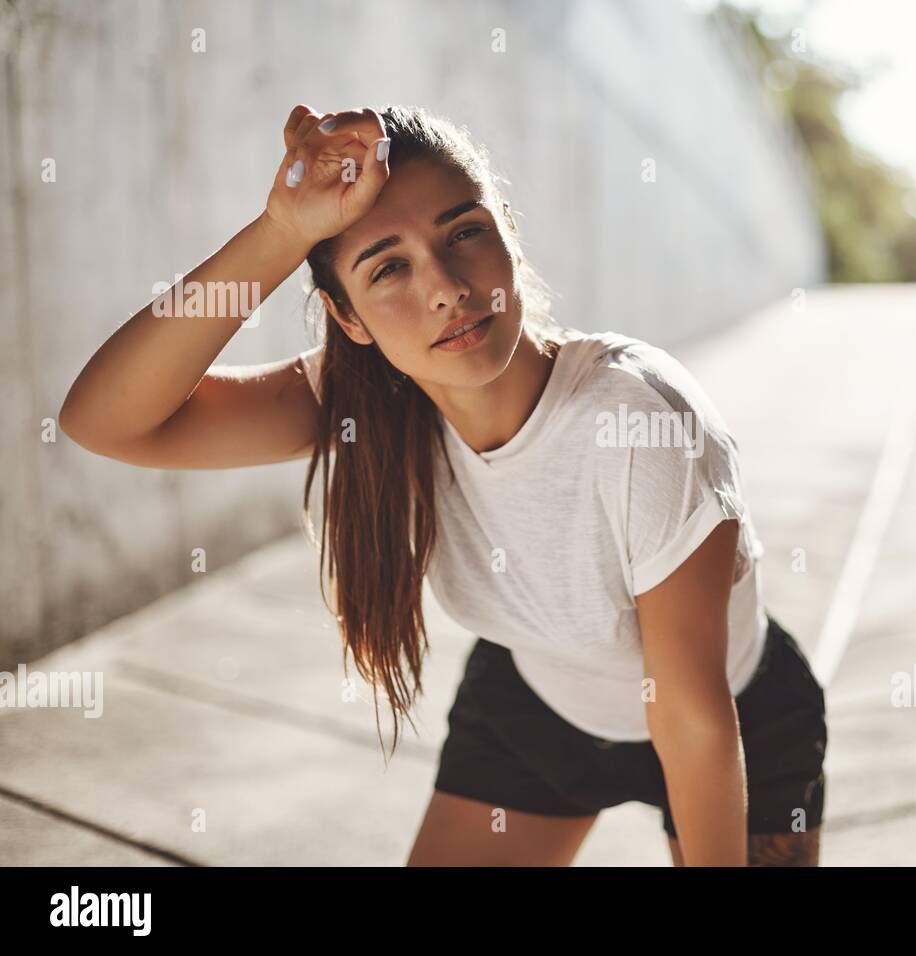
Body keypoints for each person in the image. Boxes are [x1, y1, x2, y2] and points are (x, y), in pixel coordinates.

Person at [59, 103, 828, 867]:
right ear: (348, 317)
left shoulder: (635, 418)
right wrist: (281, 233)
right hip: (535, 704)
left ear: (510, 236)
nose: (446, 288)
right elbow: (109, 421)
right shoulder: (370, 399)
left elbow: (691, 718)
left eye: (464, 232)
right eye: (387, 267)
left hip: (734, 716)